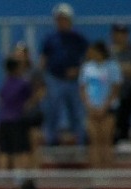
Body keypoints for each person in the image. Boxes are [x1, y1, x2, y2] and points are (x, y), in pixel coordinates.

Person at [38, 4, 88, 151]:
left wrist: (79, 70)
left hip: (74, 81)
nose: (61, 22)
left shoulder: (78, 39)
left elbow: (88, 57)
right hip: (55, 78)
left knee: (77, 111)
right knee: (52, 110)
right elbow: (43, 58)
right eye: (59, 19)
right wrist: (40, 77)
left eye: (64, 19)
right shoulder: (50, 39)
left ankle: (80, 140)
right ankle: (51, 139)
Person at [81, 41, 121, 168]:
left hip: (108, 108)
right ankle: (96, 168)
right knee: (94, 139)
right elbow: (82, 88)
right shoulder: (87, 67)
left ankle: (108, 168)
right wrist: (89, 105)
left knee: (106, 138)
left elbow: (115, 88)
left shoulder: (112, 66)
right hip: (92, 108)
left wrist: (105, 106)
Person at [0, 55, 38, 172]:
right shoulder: (23, 84)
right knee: (22, 150)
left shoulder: (4, 85)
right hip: (17, 120)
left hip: (3, 120)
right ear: (16, 69)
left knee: (4, 150)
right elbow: (32, 98)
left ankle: (2, 177)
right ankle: (22, 177)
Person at [108, 24, 131, 146]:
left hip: (129, 91)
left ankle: (124, 140)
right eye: (118, 33)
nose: (121, 36)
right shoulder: (108, 51)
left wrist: (120, 68)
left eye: (124, 33)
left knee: (126, 119)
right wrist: (122, 68)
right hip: (112, 93)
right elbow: (106, 70)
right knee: (113, 120)